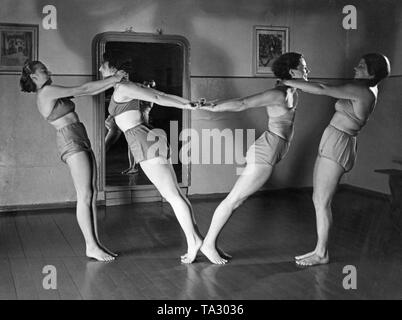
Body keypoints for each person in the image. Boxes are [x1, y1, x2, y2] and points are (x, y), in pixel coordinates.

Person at [199, 52, 309, 264]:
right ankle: (208, 244)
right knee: (234, 199)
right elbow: (242, 103)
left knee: (237, 200)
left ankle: (209, 243)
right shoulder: (278, 93)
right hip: (265, 151)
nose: (307, 71)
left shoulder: (294, 89)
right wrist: (210, 106)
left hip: (270, 149)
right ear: (292, 70)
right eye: (304, 67)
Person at [282, 53, 391, 267]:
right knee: (318, 199)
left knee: (322, 202)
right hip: (333, 141)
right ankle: (318, 250)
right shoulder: (361, 87)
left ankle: (322, 253)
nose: (355, 68)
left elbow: (323, 89)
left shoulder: (363, 91)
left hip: (339, 145)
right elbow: (325, 88)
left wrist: (288, 81)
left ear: (372, 72)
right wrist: (297, 82)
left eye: (361, 66)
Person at [99, 52, 202, 263]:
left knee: (173, 196)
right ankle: (197, 239)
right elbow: (157, 95)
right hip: (144, 140)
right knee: (176, 195)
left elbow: (158, 97)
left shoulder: (124, 87)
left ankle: (194, 242)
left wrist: (187, 105)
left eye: (104, 66)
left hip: (145, 141)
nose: (100, 69)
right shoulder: (123, 87)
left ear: (116, 70)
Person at [20, 60, 127, 262]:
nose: (48, 71)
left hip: (78, 135)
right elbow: (84, 89)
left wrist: (111, 80)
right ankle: (91, 246)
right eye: (43, 70)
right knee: (84, 195)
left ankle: (96, 244)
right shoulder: (46, 92)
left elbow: (89, 91)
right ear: (34, 77)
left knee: (91, 193)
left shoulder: (50, 90)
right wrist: (113, 78)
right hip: (69, 139)